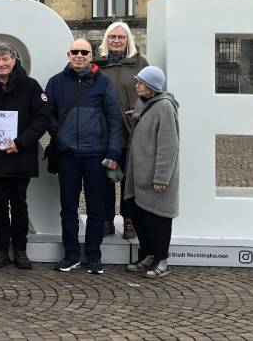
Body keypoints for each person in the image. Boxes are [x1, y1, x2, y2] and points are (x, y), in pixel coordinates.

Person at [45, 38, 122, 275]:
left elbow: (113, 119)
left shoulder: (104, 83)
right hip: (68, 155)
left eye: (84, 52)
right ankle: (70, 255)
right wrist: (60, 136)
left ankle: (93, 255)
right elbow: (48, 116)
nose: (79, 55)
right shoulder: (56, 83)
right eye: (75, 52)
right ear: (68, 54)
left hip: (95, 155)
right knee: (68, 208)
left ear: (91, 56)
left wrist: (112, 152)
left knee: (96, 209)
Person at [0, 42, 50, 270]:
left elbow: (42, 118)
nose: (1, 64)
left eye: (6, 59)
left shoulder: (31, 87)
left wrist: (22, 142)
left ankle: (21, 250)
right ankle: (1, 249)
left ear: (14, 60)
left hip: (19, 157)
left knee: (19, 204)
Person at [95, 21, 149, 239]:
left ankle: (129, 220)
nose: (116, 41)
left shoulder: (140, 63)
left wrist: (138, 109)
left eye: (121, 37)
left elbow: (150, 94)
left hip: (131, 131)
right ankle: (106, 220)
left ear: (128, 40)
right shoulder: (97, 65)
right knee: (104, 180)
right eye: (112, 37)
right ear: (106, 40)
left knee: (130, 180)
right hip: (103, 134)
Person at [125, 66, 180, 279]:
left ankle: (162, 259)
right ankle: (148, 254)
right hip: (138, 175)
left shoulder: (165, 107)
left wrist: (161, 177)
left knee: (158, 219)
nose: (137, 85)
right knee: (141, 217)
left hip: (155, 178)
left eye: (141, 83)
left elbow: (169, 145)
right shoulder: (144, 103)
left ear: (152, 87)